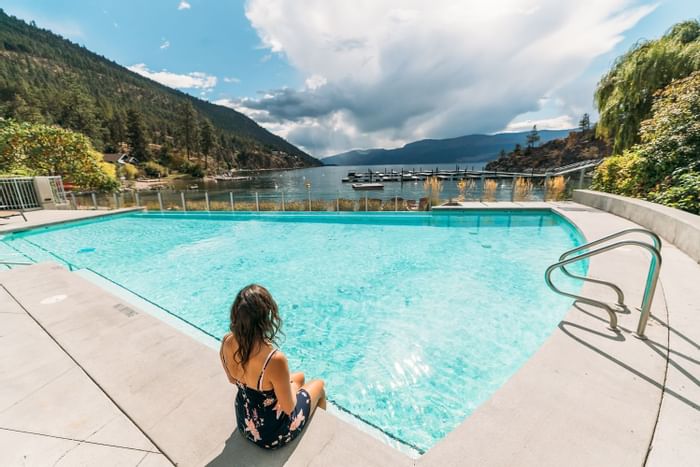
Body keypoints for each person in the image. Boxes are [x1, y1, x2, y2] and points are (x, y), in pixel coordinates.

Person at [219, 284, 326, 449]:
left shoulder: (227, 341)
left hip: (244, 422)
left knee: (300, 376)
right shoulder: (274, 359)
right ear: (265, 318)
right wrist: (291, 386)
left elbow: (232, 380)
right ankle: (319, 439)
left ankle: (292, 387)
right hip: (271, 434)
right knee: (319, 385)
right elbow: (289, 408)